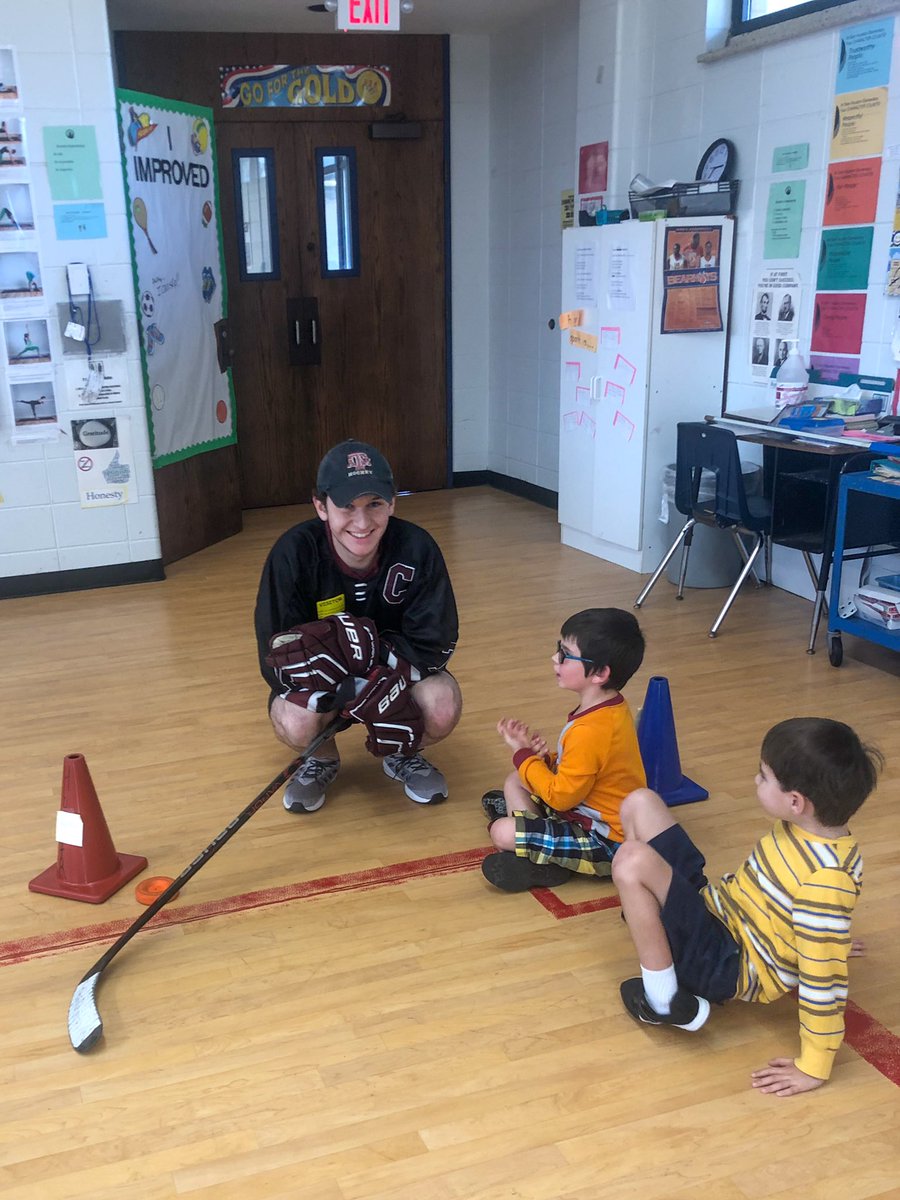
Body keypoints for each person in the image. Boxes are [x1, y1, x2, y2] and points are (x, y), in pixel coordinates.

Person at [612, 717, 882, 1096]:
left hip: (725, 963)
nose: (756, 781)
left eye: (763, 776)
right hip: (718, 915)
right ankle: (648, 914)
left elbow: (826, 981)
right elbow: (807, 920)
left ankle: (665, 999)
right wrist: (821, 941)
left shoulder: (825, 879)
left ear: (795, 801)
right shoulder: (806, 829)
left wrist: (814, 1066)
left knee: (631, 861)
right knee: (641, 802)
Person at [255, 439, 461, 814]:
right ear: (321, 506)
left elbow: (436, 641)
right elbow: (275, 654)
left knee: (442, 705)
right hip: (324, 682)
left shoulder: (418, 547)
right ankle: (322, 759)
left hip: (394, 678)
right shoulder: (292, 553)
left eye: (374, 505)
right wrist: (340, 686)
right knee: (294, 719)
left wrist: (375, 678)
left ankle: (401, 754)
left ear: (393, 502)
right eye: (346, 506)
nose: (362, 523)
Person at [480, 608, 646, 892]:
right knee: (514, 780)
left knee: (502, 831)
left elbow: (560, 798)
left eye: (565, 654)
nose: (555, 658)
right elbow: (584, 770)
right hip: (583, 810)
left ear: (601, 673)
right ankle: (537, 844)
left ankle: (548, 867)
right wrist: (544, 760)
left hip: (605, 842)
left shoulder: (592, 730)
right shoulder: (608, 707)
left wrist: (524, 756)